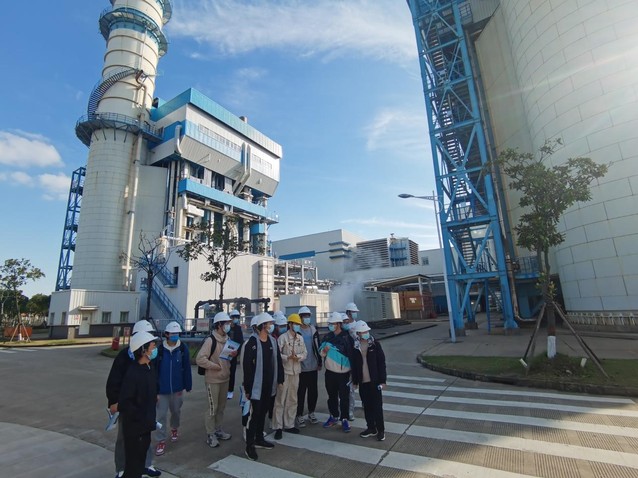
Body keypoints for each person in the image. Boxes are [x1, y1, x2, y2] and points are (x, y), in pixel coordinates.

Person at [106, 320, 161, 478]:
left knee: (145, 437)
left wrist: (155, 393)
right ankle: (122, 468)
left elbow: (153, 378)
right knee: (125, 438)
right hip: (130, 407)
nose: (153, 346)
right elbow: (114, 381)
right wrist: (114, 402)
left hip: (145, 407)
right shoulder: (125, 359)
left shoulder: (150, 360)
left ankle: (146, 464)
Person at [243, 312, 283, 461]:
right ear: (262, 325)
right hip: (256, 386)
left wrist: (280, 378)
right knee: (254, 416)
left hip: (269, 384)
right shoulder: (252, 343)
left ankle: (259, 438)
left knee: (263, 413)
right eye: (269, 324)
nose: (271, 326)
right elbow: (247, 367)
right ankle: (249, 446)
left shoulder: (272, 341)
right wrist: (248, 388)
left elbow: (277, 360)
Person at [118, 331, 159, 478]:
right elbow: (125, 402)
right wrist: (140, 418)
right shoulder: (133, 373)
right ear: (143, 350)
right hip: (136, 429)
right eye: (152, 346)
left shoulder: (149, 368)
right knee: (133, 467)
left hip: (146, 426)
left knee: (140, 464)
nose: (155, 349)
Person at [196, 311, 237, 448]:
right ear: (219, 325)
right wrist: (214, 366)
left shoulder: (227, 339)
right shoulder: (210, 340)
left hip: (225, 378)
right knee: (212, 408)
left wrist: (232, 355)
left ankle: (218, 430)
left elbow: (226, 358)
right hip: (213, 380)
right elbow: (200, 359)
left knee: (221, 407)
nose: (228, 326)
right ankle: (210, 434)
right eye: (226, 323)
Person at [154, 321, 192, 456]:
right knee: (161, 415)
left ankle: (174, 428)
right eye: (173, 333)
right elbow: (154, 370)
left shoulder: (182, 349)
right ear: (167, 334)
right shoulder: (159, 350)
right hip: (162, 390)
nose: (175, 336)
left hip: (177, 388)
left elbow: (187, 368)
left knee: (176, 411)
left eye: (177, 333)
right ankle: (161, 440)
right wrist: (154, 389)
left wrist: (188, 385)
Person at [273, 313, 307, 439]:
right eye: (296, 324)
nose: (297, 326)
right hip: (285, 372)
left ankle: (289, 424)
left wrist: (297, 357)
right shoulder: (282, 338)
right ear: (290, 324)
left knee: (293, 399)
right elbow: (277, 354)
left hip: (296, 372)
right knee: (280, 400)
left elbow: (305, 353)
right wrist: (287, 357)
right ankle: (277, 426)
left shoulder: (300, 338)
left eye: (299, 324)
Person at [351, 321, 387, 442]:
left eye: (366, 331)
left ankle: (381, 430)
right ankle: (371, 428)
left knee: (377, 407)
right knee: (367, 406)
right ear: (358, 333)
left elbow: (381, 363)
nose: (366, 333)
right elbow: (354, 365)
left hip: (375, 381)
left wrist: (382, 380)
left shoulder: (375, 344)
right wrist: (355, 380)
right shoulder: (355, 346)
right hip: (363, 381)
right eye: (363, 332)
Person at [320, 311, 353, 433]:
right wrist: (324, 350)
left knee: (344, 397)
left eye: (332, 323)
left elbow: (352, 356)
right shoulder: (327, 337)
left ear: (338, 324)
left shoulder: (347, 338)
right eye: (330, 323)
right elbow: (321, 353)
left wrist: (354, 373)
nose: (330, 325)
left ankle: (344, 419)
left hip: (343, 374)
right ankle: (333, 416)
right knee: (332, 396)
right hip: (330, 372)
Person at [295, 306, 322, 427]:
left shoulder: (313, 330)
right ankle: (299, 415)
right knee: (300, 392)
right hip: (301, 367)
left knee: (313, 392)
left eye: (308, 316)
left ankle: (311, 412)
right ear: (300, 317)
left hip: (313, 366)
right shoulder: (297, 331)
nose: (307, 318)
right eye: (305, 316)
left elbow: (318, 346)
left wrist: (319, 361)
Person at [343, 302, 360, 421]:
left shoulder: (358, 325)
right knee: (343, 388)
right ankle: (343, 410)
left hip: (355, 359)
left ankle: (350, 411)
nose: (354, 314)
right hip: (344, 361)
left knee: (352, 389)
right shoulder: (343, 326)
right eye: (353, 312)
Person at [227, 309, 244, 400]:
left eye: (237, 317)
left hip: (234, 352)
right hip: (225, 352)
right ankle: (224, 389)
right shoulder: (226, 327)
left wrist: (237, 351)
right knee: (224, 372)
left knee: (232, 372)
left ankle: (230, 390)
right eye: (234, 317)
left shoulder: (238, 328)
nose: (236, 319)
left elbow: (241, 341)